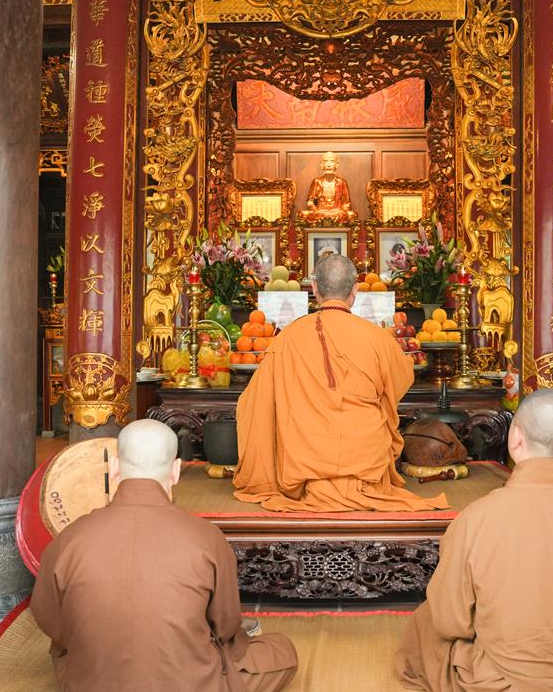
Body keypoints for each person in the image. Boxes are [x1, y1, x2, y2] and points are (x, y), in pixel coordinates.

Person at [394, 389, 553, 691]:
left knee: (426, 622)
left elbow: (451, 621)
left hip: (500, 680)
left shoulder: (476, 519)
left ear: (515, 438)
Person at [31, 419, 298, 691]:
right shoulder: (206, 537)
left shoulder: (69, 539)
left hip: (93, 682)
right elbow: (225, 627)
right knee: (281, 651)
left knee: (65, 652)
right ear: (176, 471)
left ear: (114, 467)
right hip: (190, 684)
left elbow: (49, 619)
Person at [233, 254, 448, 512]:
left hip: (305, 463)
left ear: (314, 289)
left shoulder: (288, 338)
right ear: (355, 290)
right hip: (364, 462)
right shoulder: (377, 338)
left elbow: (254, 402)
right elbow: (402, 378)